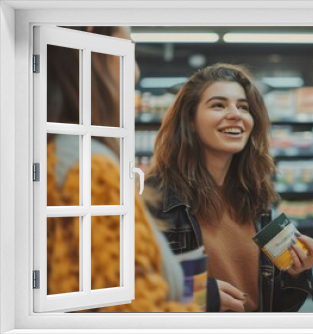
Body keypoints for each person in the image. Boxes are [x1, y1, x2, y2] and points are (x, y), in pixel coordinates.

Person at [46, 26, 199, 312]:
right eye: (129, 49)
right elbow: (130, 316)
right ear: (91, 40)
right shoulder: (89, 170)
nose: (137, 72)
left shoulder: (55, 151)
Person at [144, 63, 313, 312]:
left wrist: (297, 273)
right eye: (218, 105)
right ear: (190, 120)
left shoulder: (256, 196)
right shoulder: (157, 198)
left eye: (243, 107)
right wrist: (200, 295)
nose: (236, 114)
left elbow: (273, 305)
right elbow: (128, 284)